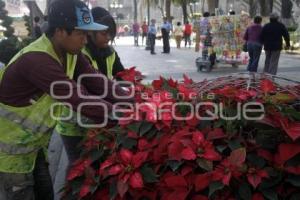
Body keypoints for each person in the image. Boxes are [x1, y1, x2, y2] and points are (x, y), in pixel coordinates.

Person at [0, 0, 131, 199]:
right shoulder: (37, 60)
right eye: (80, 33)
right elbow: (79, 98)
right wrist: (128, 115)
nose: (85, 40)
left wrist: (134, 102)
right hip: (10, 153)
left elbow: (98, 82)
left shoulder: (70, 53)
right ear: (60, 31)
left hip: (34, 147)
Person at [55, 6, 126, 164]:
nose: (108, 38)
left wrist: (131, 98)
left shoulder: (107, 52)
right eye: (103, 33)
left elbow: (111, 79)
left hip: (96, 115)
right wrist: (120, 112)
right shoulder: (74, 53)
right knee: (78, 168)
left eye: (110, 33)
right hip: (74, 121)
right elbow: (79, 94)